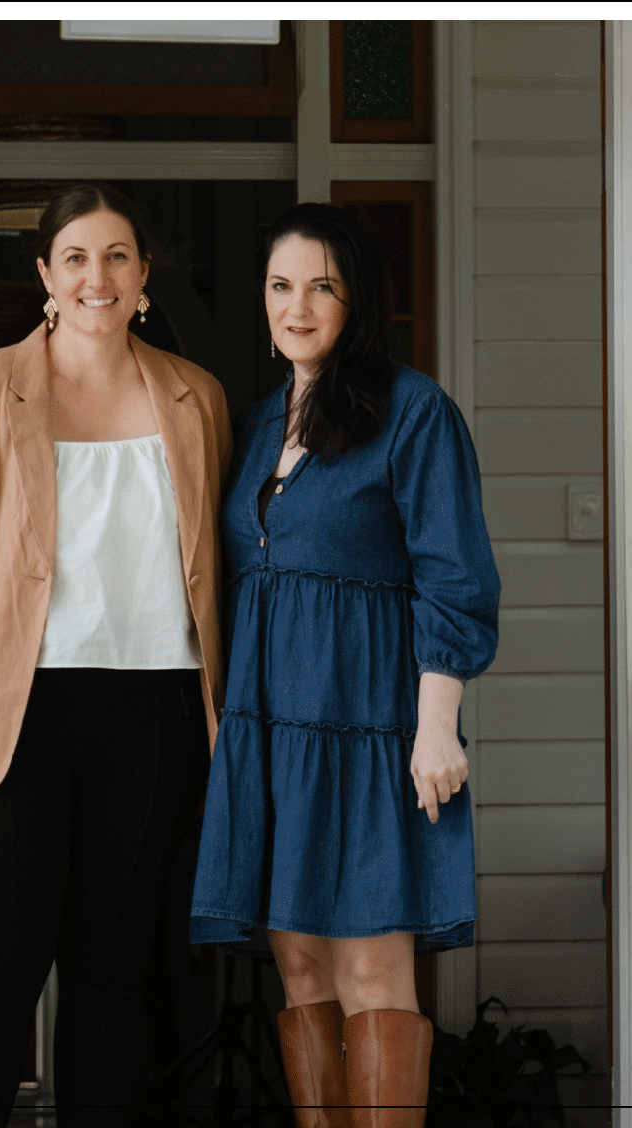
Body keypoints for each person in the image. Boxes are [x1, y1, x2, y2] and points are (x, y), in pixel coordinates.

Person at [0, 184, 231, 1127]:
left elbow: (220, 572)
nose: (97, 276)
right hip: (14, 714)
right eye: (75, 257)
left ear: (144, 276)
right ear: (44, 275)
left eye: (116, 256)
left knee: (113, 972)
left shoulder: (196, 397)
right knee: (0, 966)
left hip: (156, 711)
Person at [189, 204, 500, 1128]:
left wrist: (435, 723)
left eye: (321, 285)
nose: (297, 306)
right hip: (272, 735)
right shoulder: (247, 426)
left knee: (370, 963)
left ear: (357, 297)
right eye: (281, 286)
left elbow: (455, 574)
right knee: (300, 967)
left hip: (372, 729)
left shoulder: (412, 411)